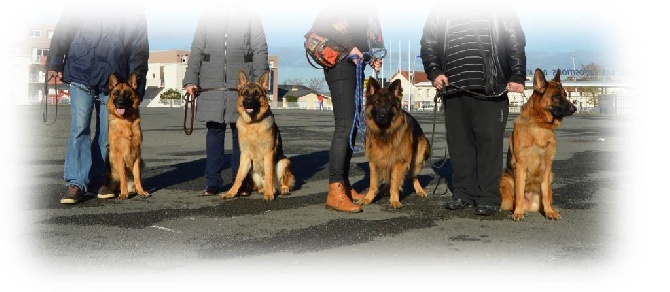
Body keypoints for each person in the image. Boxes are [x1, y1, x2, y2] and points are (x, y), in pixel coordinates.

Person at [419, 3, 527, 216]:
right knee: (459, 144)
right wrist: (434, 71)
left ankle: (488, 196)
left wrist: (517, 74)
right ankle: (463, 193)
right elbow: (429, 41)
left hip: (490, 86)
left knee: (489, 142)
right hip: (453, 86)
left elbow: (514, 37)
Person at [46, 5, 149, 204]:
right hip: (81, 72)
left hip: (113, 79)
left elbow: (139, 50)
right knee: (79, 129)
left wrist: (138, 87)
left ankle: (99, 180)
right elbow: (64, 29)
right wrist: (54, 63)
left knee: (106, 135)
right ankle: (76, 182)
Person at [183, 8, 269, 196]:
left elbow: (259, 48)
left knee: (240, 133)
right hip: (210, 82)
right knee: (214, 130)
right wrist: (191, 80)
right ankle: (212, 181)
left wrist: (261, 81)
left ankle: (241, 181)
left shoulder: (250, 14)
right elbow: (197, 48)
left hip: (242, 84)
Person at [310, 8, 386, 213]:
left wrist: (372, 56)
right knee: (344, 125)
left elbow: (362, 33)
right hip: (340, 63)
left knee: (352, 126)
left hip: (356, 63)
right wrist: (351, 46)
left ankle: (343, 184)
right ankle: (335, 192)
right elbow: (321, 24)